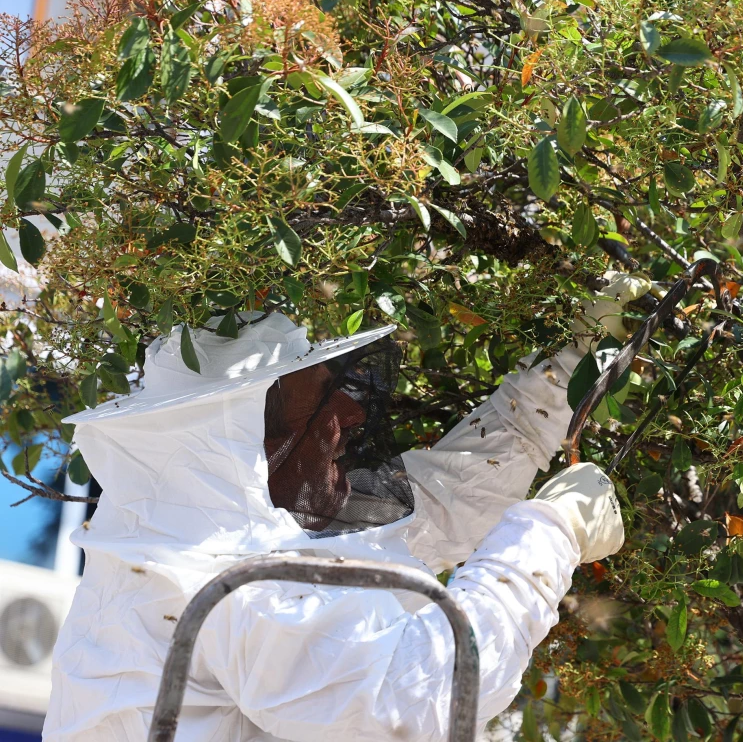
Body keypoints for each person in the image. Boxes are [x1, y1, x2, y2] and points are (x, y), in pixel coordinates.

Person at [43, 276, 649, 741]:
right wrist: (551, 533)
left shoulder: (191, 543)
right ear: (251, 444)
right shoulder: (227, 583)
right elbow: (426, 691)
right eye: (320, 408)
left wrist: (570, 364)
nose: (350, 417)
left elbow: (437, 508)